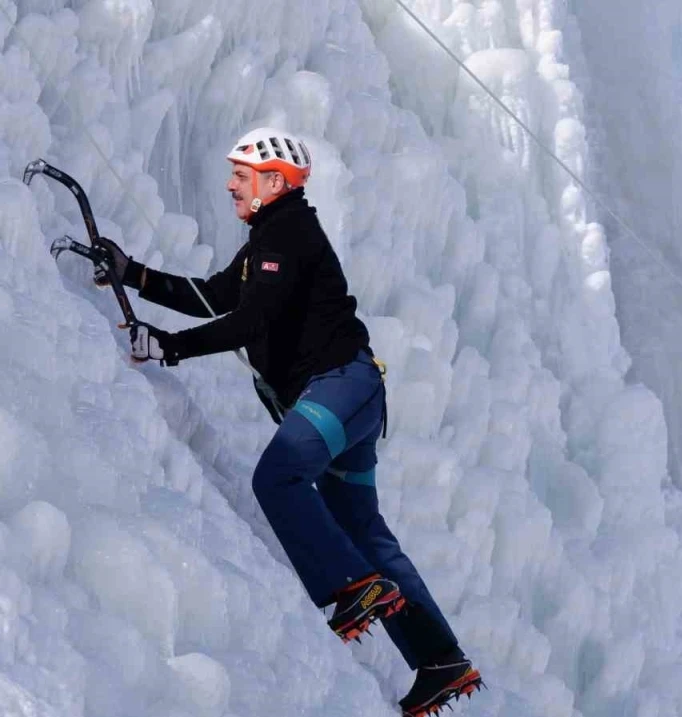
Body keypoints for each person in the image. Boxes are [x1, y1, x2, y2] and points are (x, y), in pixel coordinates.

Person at [96, 128, 482, 715]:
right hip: (352, 395)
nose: (230, 183)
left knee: (277, 478)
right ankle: (439, 660)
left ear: (275, 181)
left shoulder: (288, 235)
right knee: (361, 527)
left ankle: (349, 587)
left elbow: (249, 324)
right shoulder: (268, 243)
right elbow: (213, 296)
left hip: (340, 388)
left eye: (242, 176)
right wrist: (133, 274)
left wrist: (167, 348)